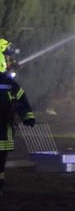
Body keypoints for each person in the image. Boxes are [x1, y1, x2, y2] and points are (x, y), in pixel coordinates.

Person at [0, 44, 35, 197]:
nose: (10, 61)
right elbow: (20, 99)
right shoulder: (8, 83)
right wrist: (27, 116)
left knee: (0, 163)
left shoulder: (9, 83)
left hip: (4, 129)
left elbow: (20, 99)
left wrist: (28, 116)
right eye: (7, 58)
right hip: (4, 130)